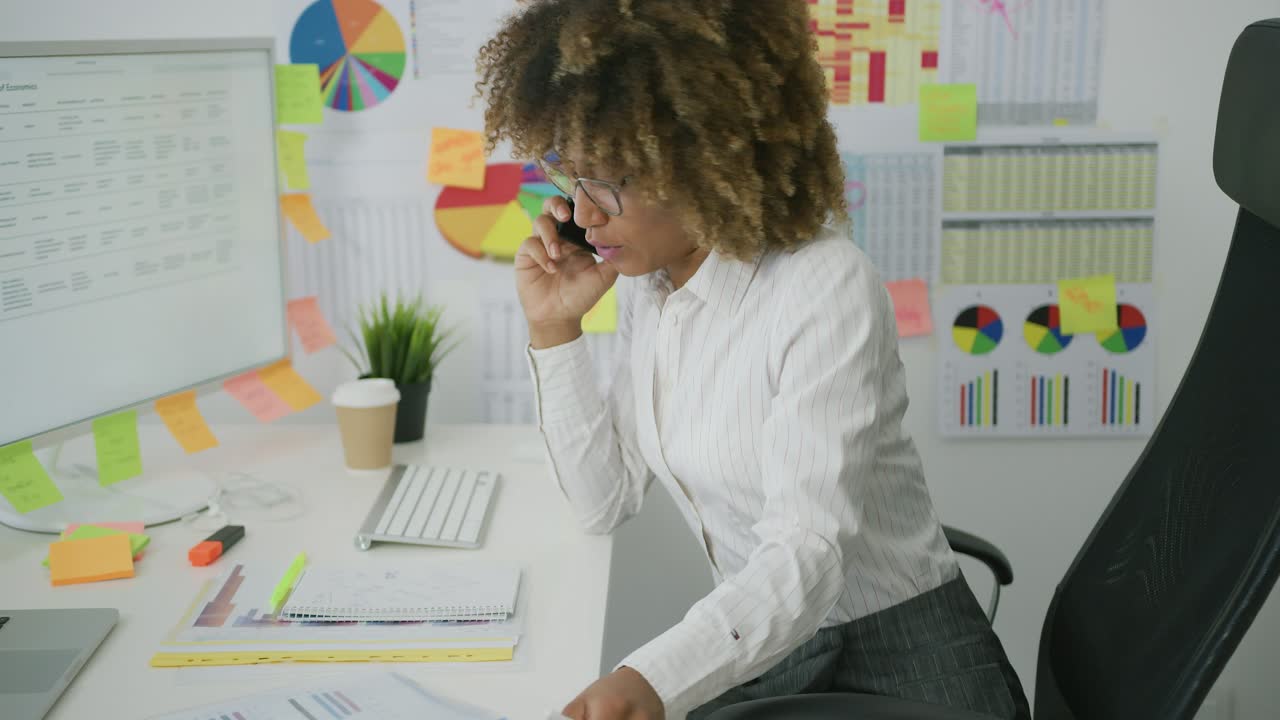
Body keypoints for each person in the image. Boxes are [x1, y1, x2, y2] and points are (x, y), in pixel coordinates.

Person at [476, 1, 1031, 719]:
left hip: (903, 664)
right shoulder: (654, 283)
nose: (581, 214)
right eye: (565, 174)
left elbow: (808, 549)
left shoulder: (823, 286)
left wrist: (651, 676)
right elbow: (603, 499)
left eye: (608, 176)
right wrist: (553, 329)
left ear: (708, 154)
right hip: (770, 638)